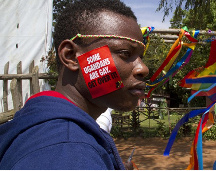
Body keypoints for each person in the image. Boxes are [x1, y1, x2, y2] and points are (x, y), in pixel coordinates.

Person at [0, 0, 148, 169]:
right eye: (125, 53)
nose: (143, 68)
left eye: (140, 57)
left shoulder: (49, 132)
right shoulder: (67, 150)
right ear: (71, 56)